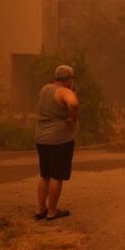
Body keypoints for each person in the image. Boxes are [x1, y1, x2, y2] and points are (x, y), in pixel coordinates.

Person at [35, 65, 80, 221]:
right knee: (57, 176)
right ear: (68, 79)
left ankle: (41, 209)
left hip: (42, 138)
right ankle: (52, 211)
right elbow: (73, 104)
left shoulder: (45, 89)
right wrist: (73, 119)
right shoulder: (65, 91)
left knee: (45, 175)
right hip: (60, 139)